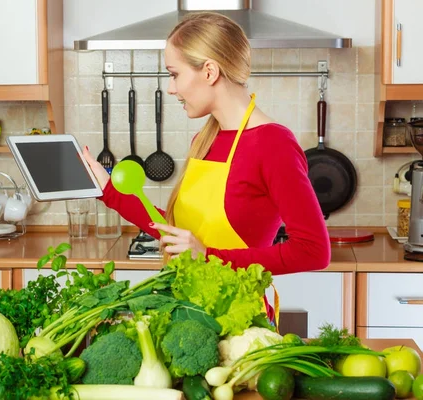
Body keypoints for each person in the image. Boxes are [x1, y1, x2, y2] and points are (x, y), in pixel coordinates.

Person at [83, 13, 330, 287]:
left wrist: (209, 257)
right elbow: (176, 234)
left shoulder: (273, 144)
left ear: (209, 72)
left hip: (238, 320)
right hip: (192, 308)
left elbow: (314, 251)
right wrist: (109, 191)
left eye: (174, 74)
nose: (171, 88)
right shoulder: (205, 139)